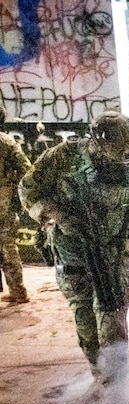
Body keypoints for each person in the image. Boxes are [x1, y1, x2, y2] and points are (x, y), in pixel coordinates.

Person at [19, 111, 129, 386]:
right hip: (72, 253)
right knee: (85, 320)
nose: (122, 162)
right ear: (97, 142)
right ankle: (97, 371)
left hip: (113, 254)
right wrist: (57, 214)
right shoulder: (63, 157)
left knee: (112, 316)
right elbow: (28, 189)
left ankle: (116, 388)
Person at [0, 104, 32, 304]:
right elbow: (26, 170)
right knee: (8, 246)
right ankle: (18, 290)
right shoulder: (8, 142)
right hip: (4, 200)